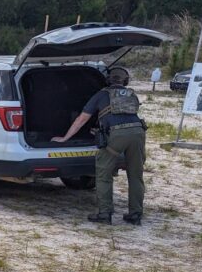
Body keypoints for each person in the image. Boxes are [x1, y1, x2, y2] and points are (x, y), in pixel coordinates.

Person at [52, 66, 146, 225]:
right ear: (126, 81)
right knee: (136, 175)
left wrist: (65, 138)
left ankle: (105, 213)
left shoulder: (101, 94)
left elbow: (81, 120)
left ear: (108, 80)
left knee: (103, 174)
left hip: (116, 136)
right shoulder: (132, 94)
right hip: (138, 132)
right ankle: (135, 214)